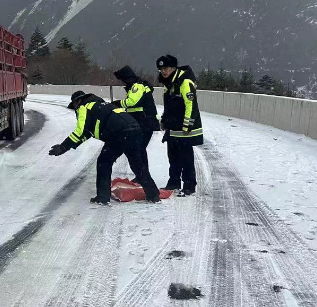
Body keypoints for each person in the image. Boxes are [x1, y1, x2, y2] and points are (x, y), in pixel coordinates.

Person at [49, 90, 161, 204]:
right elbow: (87, 133)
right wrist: (70, 145)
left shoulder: (84, 107)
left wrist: (63, 147)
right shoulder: (101, 105)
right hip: (135, 129)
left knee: (104, 162)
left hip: (119, 133)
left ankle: (102, 198)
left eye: (74, 105)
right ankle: (153, 194)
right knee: (137, 164)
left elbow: (80, 131)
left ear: (78, 101)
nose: (75, 108)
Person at [156, 54, 203, 196]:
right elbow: (169, 106)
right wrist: (164, 119)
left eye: (166, 68)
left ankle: (189, 186)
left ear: (173, 68)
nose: (163, 71)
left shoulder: (184, 83)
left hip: (185, 129)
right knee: (173, 157)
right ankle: (174, 182)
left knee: (186, 158)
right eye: (161, 69)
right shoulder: (168, 85)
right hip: (173, 128)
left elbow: (191, 105)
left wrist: (187, 125)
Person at [112, 66, 160, 184]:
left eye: (123, 80)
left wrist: (118, 103)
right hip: (143, 122)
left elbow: (132, 102)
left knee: (138, 149)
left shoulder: (137, 86)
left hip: (145, 122)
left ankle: (143, 176)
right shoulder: (137, 86)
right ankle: (142, 176)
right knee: (139, 149)